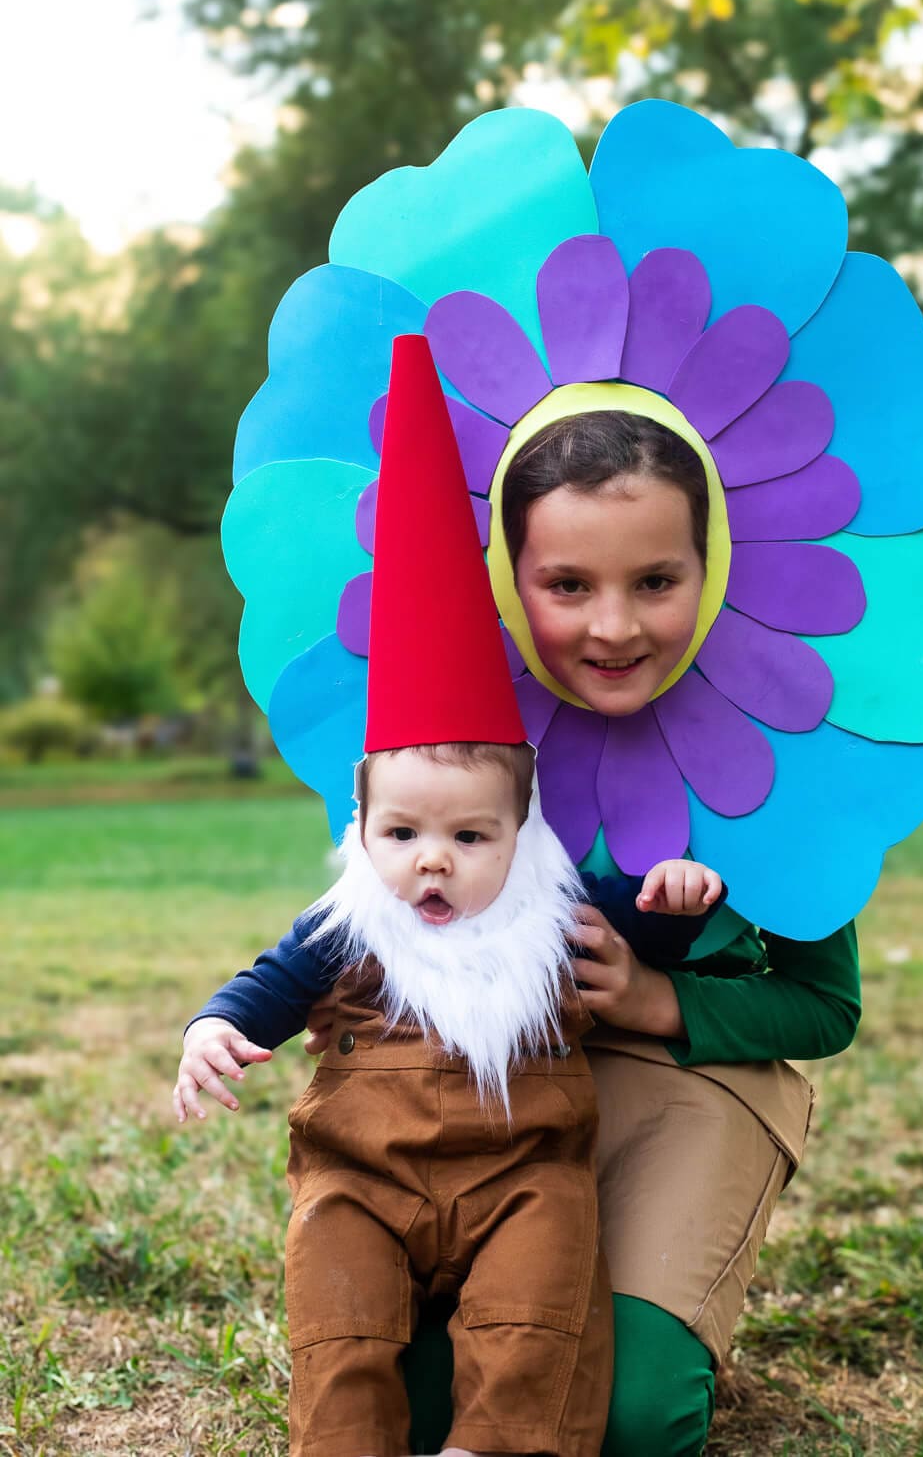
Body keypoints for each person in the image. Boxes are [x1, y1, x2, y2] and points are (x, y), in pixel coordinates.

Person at [174, 336, 727, 1457]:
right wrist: (213, 1028)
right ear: (362, 833)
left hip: (521, 1174)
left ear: (521, 836)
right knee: (339, 1317)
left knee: (536, 1308)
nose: (433, 861)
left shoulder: (547, 912)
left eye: (469, 835)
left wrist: (671, 898)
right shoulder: (350, 924)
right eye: (404, 834)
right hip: (365, 1181)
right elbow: (267, 984)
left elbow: (630, 913)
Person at [305, 409, 862, 1457]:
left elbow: (826, 1006)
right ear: (509, 578)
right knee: (416, 1402)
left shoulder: (778, 744)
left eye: (656, 580)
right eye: (567, 585)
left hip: (693, 1081)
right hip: (496, 1093)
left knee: (630, 1415)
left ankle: (665, 1310)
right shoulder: (452, 743)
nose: (613, 627)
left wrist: (661, 1000)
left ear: (714, 565)